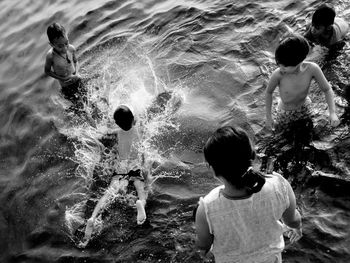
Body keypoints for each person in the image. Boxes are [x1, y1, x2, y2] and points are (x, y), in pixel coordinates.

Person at [195, 126, 302, 262]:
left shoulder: (206, 208)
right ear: (252, 155)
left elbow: (203, 246)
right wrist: (297, 227)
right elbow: (293, 220)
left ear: (211, 168)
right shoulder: (278, 185)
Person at [80, 105, 149, 247]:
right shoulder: (140, 129)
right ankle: (140, 205)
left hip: (121, 167)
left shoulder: (116, 133)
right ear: (133, 119)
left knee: (109, 193)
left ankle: (93, 217)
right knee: (141, 191)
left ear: (117, 123)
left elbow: (101, 135)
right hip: (135, 166)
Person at [265, 34, 339, 133]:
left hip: (304, 107)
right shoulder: (278, 75)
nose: (280, 67)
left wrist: (332, 112)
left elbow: (327, 89)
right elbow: (268, 92)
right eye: (279, 63)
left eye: (285, 66)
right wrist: (269, 117)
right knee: (281, 134)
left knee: (309, 131)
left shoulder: (312, 69)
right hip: (285, 112)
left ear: (299, 61)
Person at [44, 22, 86, 112]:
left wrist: (77, 73)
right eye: (60, 46)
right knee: (80, 109)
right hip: (66, 86)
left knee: (88, 101)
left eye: (66, 43)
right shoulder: (51, 56)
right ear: (51, 44)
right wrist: (62, 78)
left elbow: (75, 61)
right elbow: (47, 71)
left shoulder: (71, 49)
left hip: (77, 80)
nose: (64, 48)